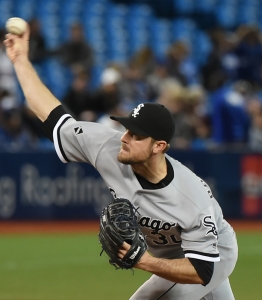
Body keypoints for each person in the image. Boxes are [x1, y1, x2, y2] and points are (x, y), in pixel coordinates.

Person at [4, 24, 238, 300]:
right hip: (175, 256)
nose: (125, 137)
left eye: (136, 135)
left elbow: (202, 271)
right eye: (127, 128)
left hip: (211, 255)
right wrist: (20, 60)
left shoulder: (191, 197)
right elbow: (51, 114)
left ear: (158, 146)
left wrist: (144, 261)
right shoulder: (108, 146)